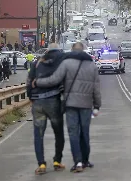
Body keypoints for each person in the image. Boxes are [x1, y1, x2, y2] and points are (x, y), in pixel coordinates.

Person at [33, 43, 101, 173]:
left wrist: (38, 82)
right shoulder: (92, 65)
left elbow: (54, 79)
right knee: (85, 132)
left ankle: (78, 162)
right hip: (86, 105)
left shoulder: (66, 63)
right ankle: (85, 160)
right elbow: (96, 88)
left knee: (73, 133)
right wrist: (97, 105)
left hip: (71, 104)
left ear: (71, 50)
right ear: (83, 51)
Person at [26, 43, 66, 175]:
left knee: (38, 135)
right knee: (58, 132)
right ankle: (57, 161)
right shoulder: (61, 60)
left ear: (47, 50)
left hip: (38, 102)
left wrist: (31, 97)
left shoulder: (38, 62)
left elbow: (29, 81)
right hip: (53, 101)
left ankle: (41, 164)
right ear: (58, 49)